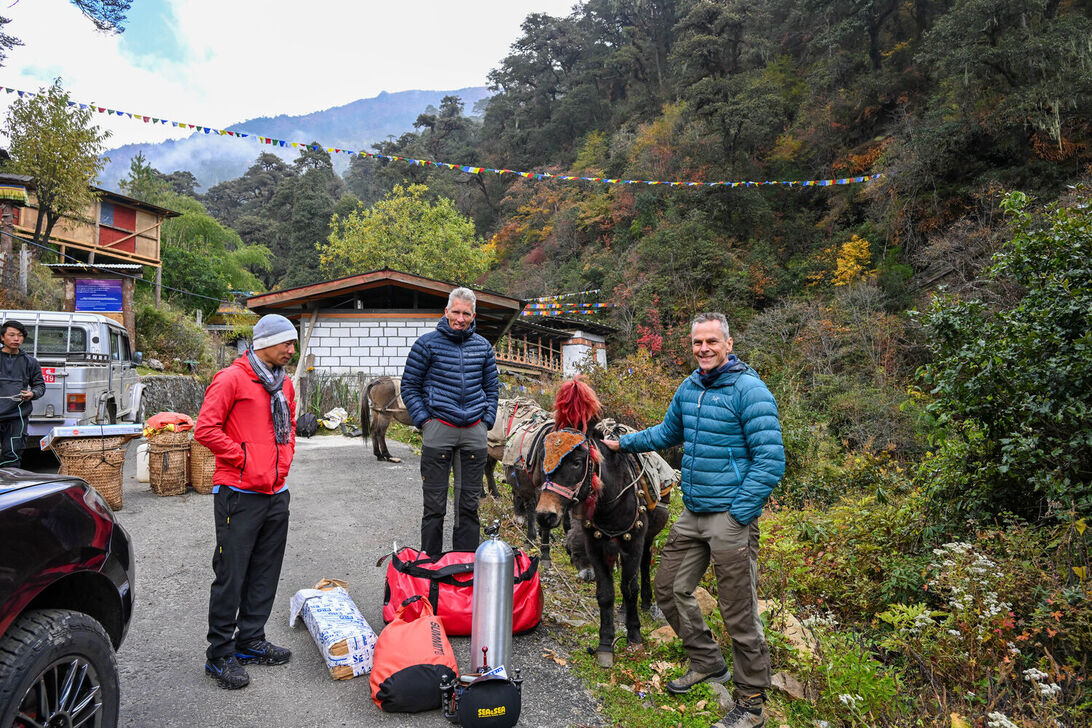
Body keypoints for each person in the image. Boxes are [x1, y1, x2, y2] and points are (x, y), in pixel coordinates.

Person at [603, 312, 785, 728]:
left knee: (738, 611)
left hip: (730, 518)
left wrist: (740, 514)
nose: (704, 349)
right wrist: (622, 443)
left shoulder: (749, 391)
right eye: (697, 343)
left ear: (728, 343)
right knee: (668, 588)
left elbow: (772, 460)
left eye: (711, 342)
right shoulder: (690, 388)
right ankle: (707, 661)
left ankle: (751, 704)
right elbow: (666, 433)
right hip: (694, 513)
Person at [195, 313, 298, 690]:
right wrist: (242, 458)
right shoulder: (232, 378)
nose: (291, 349)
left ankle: (250, 641)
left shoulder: (283, 386)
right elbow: (205, 428)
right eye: (286, 343)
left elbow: (286, 435)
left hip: (275, 493)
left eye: (293, 343)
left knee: (265, 572)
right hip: (238, 493)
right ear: (264, 342)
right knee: (231, 574)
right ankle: (219, 655)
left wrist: (282, 463)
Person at [401, 287, 499, 555]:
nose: (460, 318)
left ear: (473, 315)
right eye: (455, 311)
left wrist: (485, 422)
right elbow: (409, 386)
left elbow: (492, 389)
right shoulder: (426, 344)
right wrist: (425, 421)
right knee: (434, 506)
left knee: (469, 506)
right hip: (438, 430)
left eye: (466, 313)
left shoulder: (482, 347)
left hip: (473, 434)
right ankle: (430, 565)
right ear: (446, 312)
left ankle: (465, 567)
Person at [0, 320, 45, 467]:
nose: (16, 339)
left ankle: (10, 487)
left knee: (11, 456)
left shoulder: (30, 362)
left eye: (19, 335)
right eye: (11, 335)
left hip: (16, 416)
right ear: (2, 337)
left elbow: (39, 386)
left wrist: (32, 393)